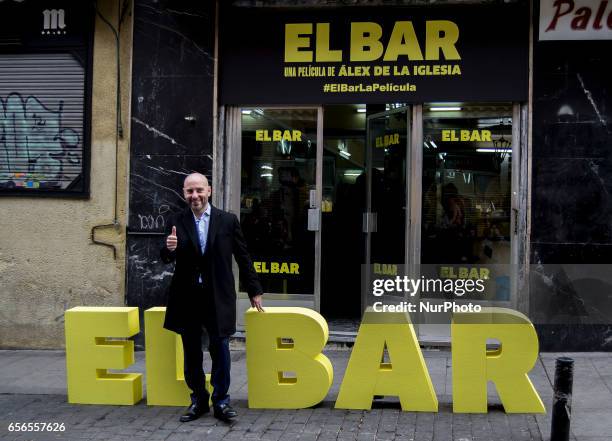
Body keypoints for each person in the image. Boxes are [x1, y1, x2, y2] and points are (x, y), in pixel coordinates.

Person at [160, 172, 263, 423]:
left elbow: (243, 256)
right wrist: (169, 248)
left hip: (218, 297)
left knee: (221, 348)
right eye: (189, 191)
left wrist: (254, 290)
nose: (194, 196)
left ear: (209, 191)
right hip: (187, 297)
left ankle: (221, 401)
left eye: (199, 190)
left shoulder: (227, 220)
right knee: (191, 351)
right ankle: (198, 400)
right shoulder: (176, 220)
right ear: (184, 193)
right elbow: (165, 256)